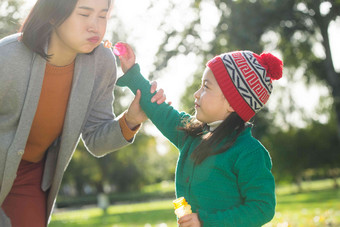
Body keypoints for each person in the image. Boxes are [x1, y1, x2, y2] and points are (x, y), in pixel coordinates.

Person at [0, 0, 166, 226]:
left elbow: (96, 139)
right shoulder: (7, 57)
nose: (95, 27)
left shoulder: (102, 63)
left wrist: (131, 120)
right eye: (84, 14)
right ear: (53, 14)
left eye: (102, 16)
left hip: (30, 176)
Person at [116, 43, 283, 226]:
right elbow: (160, 110)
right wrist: (132, 73)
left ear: (232, 103)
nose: (196, 94)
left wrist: (206, 221)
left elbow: (262, 207)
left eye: (206, 87)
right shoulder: (191, 134)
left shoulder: (249, 152)